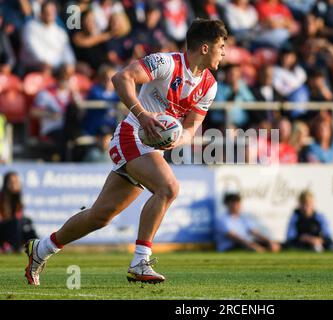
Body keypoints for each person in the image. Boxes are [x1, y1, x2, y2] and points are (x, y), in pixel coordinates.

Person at [24, 18, 228, 286]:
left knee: (100, 216)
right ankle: (140, 260)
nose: (224, 52)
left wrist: (175, 140)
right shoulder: (166, 63)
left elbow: (191, 128)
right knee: (169, 188)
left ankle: (41, 249)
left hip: (152, 147)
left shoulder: (209, 85)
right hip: (131, 134)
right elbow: (121, 77)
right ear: (204, 47)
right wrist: (143, 116)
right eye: (221, 46)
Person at [215, 193, 281, 253]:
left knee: (271, 245)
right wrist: (249, 244)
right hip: (231, 246)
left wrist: (269, 242)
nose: (235, 206)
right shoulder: (222, 219)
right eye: (232, 203)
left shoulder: (244, 218)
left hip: (247, 243)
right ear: (226, 204)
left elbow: (254, 232)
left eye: (237, 203)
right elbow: (233, 236)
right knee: (252, 247)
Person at [0, 172, 37, 253]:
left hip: (14, 229)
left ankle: (36, 247)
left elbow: (19, 216)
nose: (15, 184)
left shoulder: (18, 198)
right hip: (3, 229)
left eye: (17, 182)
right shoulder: (1, 197)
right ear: (6, 184)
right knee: (16, 222)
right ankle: (14, 247)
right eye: (12, 182)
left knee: (27, 223)